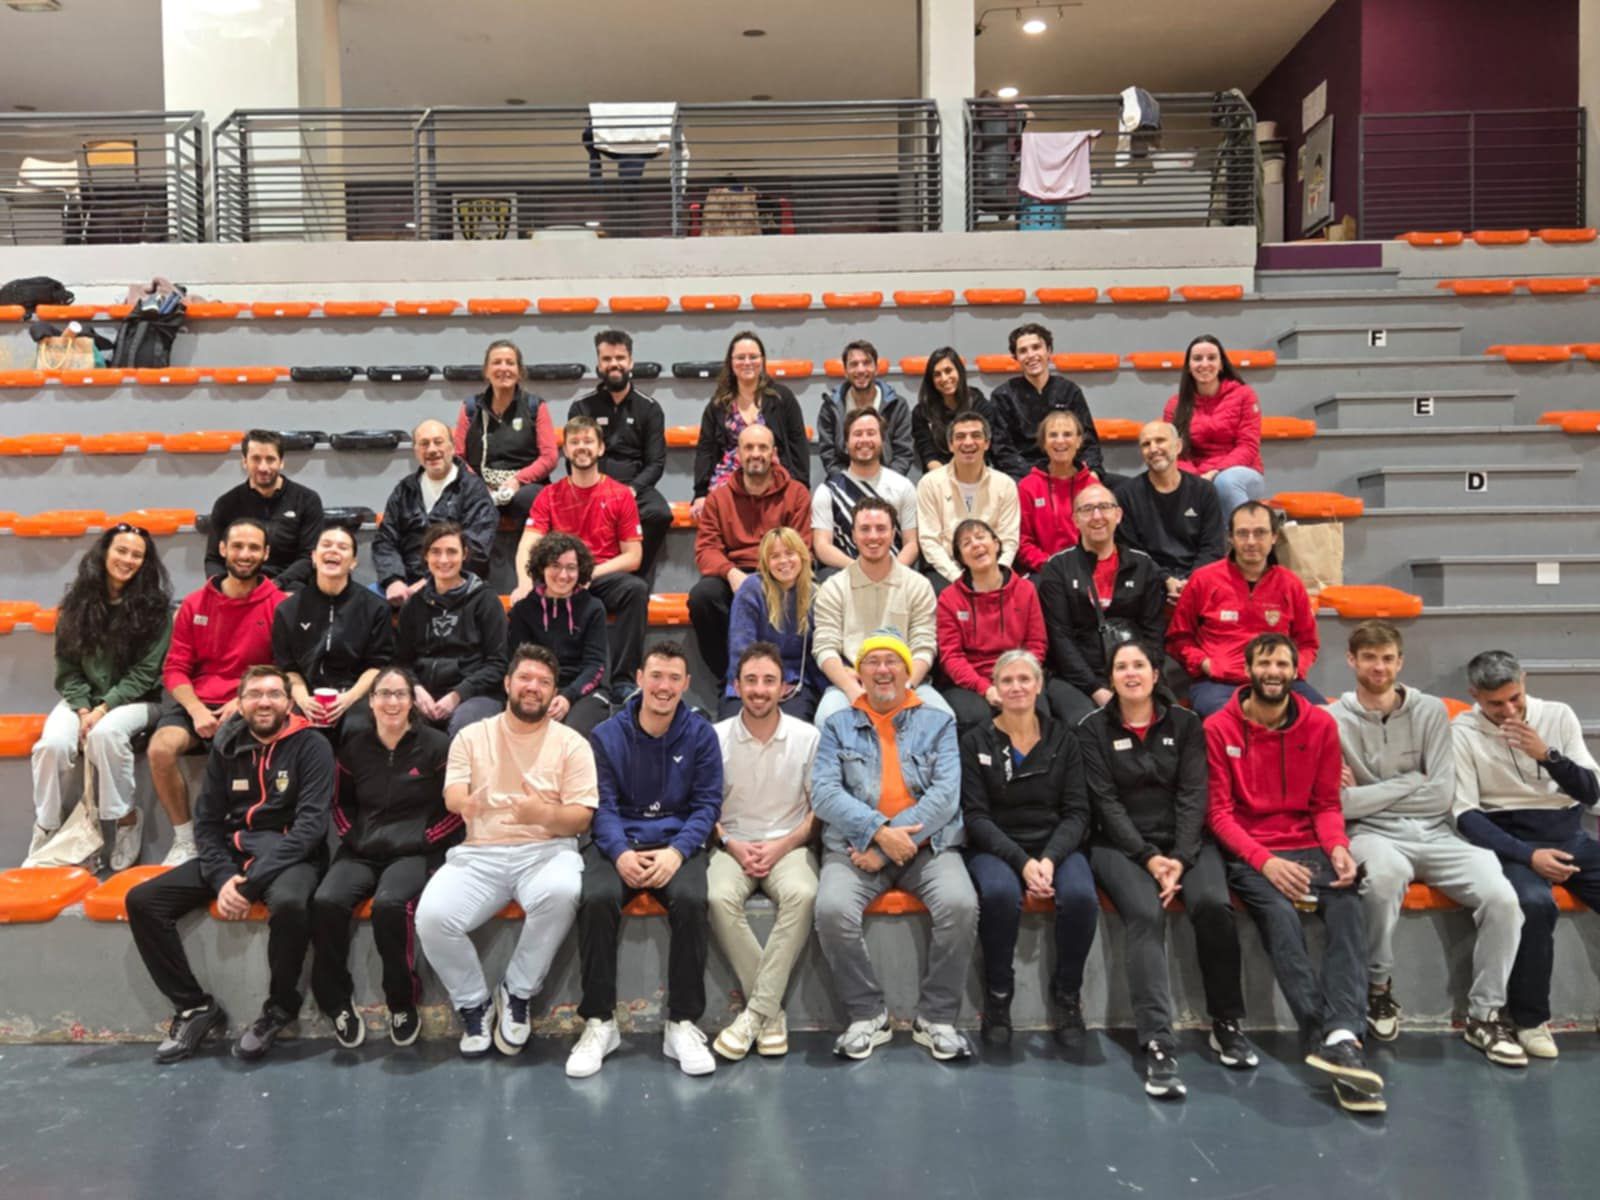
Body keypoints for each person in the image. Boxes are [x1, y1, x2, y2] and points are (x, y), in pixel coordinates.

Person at [1206, 633, 1385, 1113]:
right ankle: (1325, 1034)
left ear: (1295, 670)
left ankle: (1343, 1032)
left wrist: (1338, 848)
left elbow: (1325, 804)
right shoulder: (1218, 728)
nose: (1273, 672)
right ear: (1248, 669)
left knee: (1348, 907)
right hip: (1253, 851)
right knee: (1281, 919)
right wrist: (1264, 861)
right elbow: (1219, 814)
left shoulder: (1321, 725)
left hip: (1310, 845)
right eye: (1264, 664)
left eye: (1282, 664)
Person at [1332, 624, 1525, 1066]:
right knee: (1384, 879)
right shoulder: (1330, 719)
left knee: (1503, 898)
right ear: (1351, 660)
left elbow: (1440, 795)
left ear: (1400, 662)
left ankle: (1484, 1015)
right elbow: (1339, 804)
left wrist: (1370, 792)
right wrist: (1410, 780)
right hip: (1371, 833)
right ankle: (1377, 988)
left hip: (1438, 832)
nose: (1379, 667)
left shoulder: (1432, 711)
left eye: (1387, 658)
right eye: (1369, 657)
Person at [126, 665, 332, 1063]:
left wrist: (248, 885)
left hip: (291, 855)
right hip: (233, 853)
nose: (264, 702)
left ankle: (279, 1009)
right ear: (240, 702)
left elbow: (310, 829)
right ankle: (194, 1007)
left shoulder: (312, 745)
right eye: (254, 694)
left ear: (289, 702)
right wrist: (224, 877)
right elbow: (206, 822)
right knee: (143, 901)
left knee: (291, 904)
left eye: (274, 694)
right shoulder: (227, 742)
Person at [1082, 640, 1257, 1098]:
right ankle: (1158, 1040)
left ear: (1155, 674)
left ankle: (1227, 1022)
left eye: (1139, 665)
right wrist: (1148, 857)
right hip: (1121, 846)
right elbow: (1105, 802)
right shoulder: (1092, 729)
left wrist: (1179, 856)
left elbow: (1194, 793)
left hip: (1185, 843)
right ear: (1111, 677)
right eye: (1121, 667)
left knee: (1213, 904)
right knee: (1145, 914)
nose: (1131, 673)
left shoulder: (1186, 723)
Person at [414, 645, 598, 1059]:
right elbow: (452, 795)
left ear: (554, 692)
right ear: (507, 683)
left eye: (544, 682)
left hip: (547, 850)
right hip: (480, 853)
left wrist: (542, 813)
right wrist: (469, 803)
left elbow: (581, 819)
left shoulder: (572, 743)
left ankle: (517, 991)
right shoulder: (471, 735)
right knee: (433, 917)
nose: (534, 687)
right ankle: (473, 1003)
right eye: (526, 678)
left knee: (563, 891)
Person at [812, 630, 978, 1062]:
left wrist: (887, 845)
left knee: (960, 904)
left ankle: (937, 1017)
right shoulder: (837, 725)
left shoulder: (938, 722)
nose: (882, 670)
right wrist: (877, 831)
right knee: (831, 909)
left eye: (892, 662)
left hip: (927, 846)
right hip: (854, 848)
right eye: (872, 662)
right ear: (859, 672)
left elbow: (946, 797)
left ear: (908, 671)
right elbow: (824, 794)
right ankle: (867, 1014)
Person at [567, 641, 723, 1079]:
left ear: (686, 684)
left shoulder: (701, 735)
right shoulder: (606, 735)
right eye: (656, 676)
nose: (664, 686)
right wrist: (619, 853)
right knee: (596, 898)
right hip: (620, 841)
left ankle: (682, 1023)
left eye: (674, 678)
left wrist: (678, 852)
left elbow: (707, 805)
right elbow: (602, 805)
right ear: (639, 679)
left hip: (676, 844)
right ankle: (599, 1022)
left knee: (692, 900)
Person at [1453, 648, 1600, 1062]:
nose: (1508, 710)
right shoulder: (1460, 730)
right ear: (1474, 695)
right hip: (1509, 840)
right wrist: (1529, 855)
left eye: (1514, 698)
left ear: (1524, 682)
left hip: (1568, 831)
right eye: (1495, 703)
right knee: (1534, 905)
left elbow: (1591, 791)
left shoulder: (1558, 715)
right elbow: (1465, 815)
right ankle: (1531, 1020)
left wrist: (1547, 756)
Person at [309, 666, 459, 1050]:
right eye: (384, 694)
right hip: (361, 851)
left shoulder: (438, 746)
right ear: (371, 701)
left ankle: (401, 1001)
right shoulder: (353, 748)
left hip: (415, 852)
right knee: (326, 901)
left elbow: (456, 810)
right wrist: (352, 836)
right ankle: (337, 1002)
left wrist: (425, 838)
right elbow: (339, 804)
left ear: (412, 702)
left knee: (389, 906)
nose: (392, 702)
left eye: (400, 694)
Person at [959, 649, 1098, 1052]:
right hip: (997, 845)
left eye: (1025, 679)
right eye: (1007, 680)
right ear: (995, 689)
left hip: (1055, 845)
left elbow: (1077, 812)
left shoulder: (1064, 738)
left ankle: (1068, 996)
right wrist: (1022, 863)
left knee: (1081, 897)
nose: (1016, 687)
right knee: (1000, 895)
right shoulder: (975, 741)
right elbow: (976, 816)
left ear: (1039, 686)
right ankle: (998, 996)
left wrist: (1049, 859)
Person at [29, 522, 172, 869]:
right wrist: (82, 709)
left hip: (137, 701)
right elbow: (67, 669)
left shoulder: (156, 609)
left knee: (105, 735)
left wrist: (103, 709)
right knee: (51, 746)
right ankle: (48, 827)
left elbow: (145, 673)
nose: (128, 559)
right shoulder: (75, 605)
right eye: (121, 550)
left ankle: (126, 819)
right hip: (82, 700)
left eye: (137, 555)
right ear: (105, 552)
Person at [708, 642, 821, 1061]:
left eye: (769, 681)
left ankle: (754, 1014)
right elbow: (703, 807)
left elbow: (818, 811)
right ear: (736, 686)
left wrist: (782, 846)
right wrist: (730, 843)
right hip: (731, 844)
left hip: (789, 844)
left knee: (804, 894)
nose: (759, 689)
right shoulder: (715, 737)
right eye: (751, 680)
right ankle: (770, 1014)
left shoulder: (807, 737)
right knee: (716, 897)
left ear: (784, 688)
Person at [149, 517, 285, 865]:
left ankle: (230, 839)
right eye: (237, 546)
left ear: (266, 553)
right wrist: (196, 710)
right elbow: (175, 668)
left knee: (227, 745)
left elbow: (281, 668)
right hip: (195, 701)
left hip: (248, 701)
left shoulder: (278, 604)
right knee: (160, 749)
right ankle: (184, 840)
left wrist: (241, 702)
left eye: (253, 548)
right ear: (222, 549)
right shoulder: (194, 604)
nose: (245, 554)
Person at [513, 416, 647, 696]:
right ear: (565, 450)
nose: (581, 447)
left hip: (599, 574)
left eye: (588, 441)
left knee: (635, 590)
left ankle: (623, 680)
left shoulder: (620, 494)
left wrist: (587, 574)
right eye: (574, 442)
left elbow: (633, 556)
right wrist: (523, 583)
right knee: (523, 603)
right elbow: (528, 545)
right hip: (559, 575)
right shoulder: (549, 495)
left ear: (601, 448)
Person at [1167, 501, 1322, 717]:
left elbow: (1307, 643)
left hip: (1278, 680)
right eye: (1242, 533)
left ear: (1274, 536)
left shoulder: (1291, 584)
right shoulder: (1203, 580)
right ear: (1230, 537)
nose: (1251, 542)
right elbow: (1179, 638)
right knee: (1228, 720)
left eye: (1260, 533)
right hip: (1219, 684)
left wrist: (1295, 669)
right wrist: (1204, 664)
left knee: (1322, 717)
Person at [689, 422, 811, 684]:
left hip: (782, 570)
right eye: (749, 447)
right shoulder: (718, 498)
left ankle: (793, 677)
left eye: (763, 447)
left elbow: (802, 545)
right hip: (737, 573)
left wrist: (771, 576)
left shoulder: (796, 494)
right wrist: (730, 573)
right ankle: (731, 678)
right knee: (703, 597)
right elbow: (706, 549)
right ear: (738, 454)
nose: (756, 453)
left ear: (773, 453)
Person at [1034, 484, 1166, 725]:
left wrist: (1136, 677)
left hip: (1131, 670)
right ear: (1075, 520)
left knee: (1169, 718)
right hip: (1076, 678)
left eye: (1104, 507)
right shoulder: (1057, 568)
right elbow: (1060, 640)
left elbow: (1153, 633)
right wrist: (1097, 690)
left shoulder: (1143, 566)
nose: (1097, 516)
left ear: (1118, 514)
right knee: (1089, 723)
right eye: (1087, 509)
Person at [811, 498, 949, 726]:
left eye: (881, 528)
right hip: (851, 681)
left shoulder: (918, 585)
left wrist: (905, 688)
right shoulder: (833, 587)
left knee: (942, 718)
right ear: (853, 535)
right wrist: (852, 689)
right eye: (865, 529)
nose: (873, 536)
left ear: (893, 533)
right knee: (828, 719)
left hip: (907, 680)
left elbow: (924, 646)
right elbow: (825, 647)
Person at [270, 521, 392, 741]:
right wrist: (303, 700)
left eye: (342, 547)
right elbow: (287, 667)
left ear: (353, 562)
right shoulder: (288, 609)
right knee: (292, 728)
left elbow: (377, 665)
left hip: (356, 694)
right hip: (305, 693)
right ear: (314, 557)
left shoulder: (375, 607)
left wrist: (348, 699)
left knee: (359, 729)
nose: (333, 550)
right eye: (326, 545)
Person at [568, 329, 671, 574]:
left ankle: (633, 574)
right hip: (593, 484)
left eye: (620, 358)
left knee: (659, 514)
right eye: (607, 359)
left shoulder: (649, 408)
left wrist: (631, 490)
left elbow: (656, 462)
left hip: (634, 487)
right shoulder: (581, 407)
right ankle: (588, 570)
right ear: (598, 364)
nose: (614, 364)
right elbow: (573, 456)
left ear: (630, 362)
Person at [393, 522, 507, 737]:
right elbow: (401, 661)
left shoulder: (485, 600)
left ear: (464, 554)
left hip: (475, 694)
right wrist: (416, 689)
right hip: (424, 693)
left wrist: (457, 694)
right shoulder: (414, 604)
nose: (444, 560)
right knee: (396, 722)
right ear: (426, 556)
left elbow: (497, 663)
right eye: (436, 552)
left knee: (463, 729)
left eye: (452, 552)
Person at [935, 518, 1047, 735]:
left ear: (996, 544)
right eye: (966, 543)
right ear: (961, 558)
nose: (976, 545)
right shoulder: (949, 598)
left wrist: (1016, 680)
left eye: (980, 537)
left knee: (1037, 713)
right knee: (976, 718)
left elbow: (1036, 644)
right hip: (971, 682)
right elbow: (951, 656)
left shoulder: (1026, 590)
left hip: (1017, 672)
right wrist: (985, 688)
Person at [374, 419, 498, 607]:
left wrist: (429, 582)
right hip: (405, 583)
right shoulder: (404, 489)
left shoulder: (473, 489)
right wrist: (393, 580)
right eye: (424, 444)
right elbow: (385, 540)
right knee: (367, 606)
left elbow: (477, 549)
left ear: (452, 447)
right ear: (416, 451)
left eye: (438, 442)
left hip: (457, 584)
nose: (432, 450)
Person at [692, 330, 810, 517]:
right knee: (716, 507)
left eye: (753, 357)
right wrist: (700, 494)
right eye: (740, 357)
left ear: (762, 360)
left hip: (773, 474)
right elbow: (706, 450)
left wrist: (801, 486)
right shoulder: (718, 404)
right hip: (729, 477)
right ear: (731, 363)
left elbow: (798, 443)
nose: (747, 362)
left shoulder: (782, 398)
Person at [506, 532, 611, 738]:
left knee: (571, 735)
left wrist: (567, 697)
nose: (563, 575)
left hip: (584, 691)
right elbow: (519, 662)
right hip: (538, 687)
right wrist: (544, 693)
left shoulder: (593, 608)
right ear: (542, 568)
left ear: (580, 570)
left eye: (571, 567)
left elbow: (596, 666)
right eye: (555, 566)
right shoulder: (523, 610)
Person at [1113, 420, 1226, 601]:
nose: (1153, 448)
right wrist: (1165, 579)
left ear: (1178, 446)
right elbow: (1131, 551)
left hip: (1199, 581)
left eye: (1160, 440)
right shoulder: (1125, 495)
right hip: (1149, 583)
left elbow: (1212, 548)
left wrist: (1191, 581)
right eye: (1146, 444)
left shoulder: (1204, 491)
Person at [452, 338, 558, 530]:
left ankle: (528, 550)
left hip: (526, 486)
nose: (503, 368)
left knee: (526, 499)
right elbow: (458, 457)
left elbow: (549, 457)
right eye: (496, 362)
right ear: (486, 371)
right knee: (462, 500)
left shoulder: (535, 406)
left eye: (510, 363)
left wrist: (518, 481)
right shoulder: (470, 408)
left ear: (520, 371)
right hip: (481, 484)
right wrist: (479, 486)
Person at [724, 527, 827, 721]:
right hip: (753, 679)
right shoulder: (751, 590)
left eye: (790, 553)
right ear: (766, 563)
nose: (783, 561)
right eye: (775, 556)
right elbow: (741, 648)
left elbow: (819, 650)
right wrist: (767, 684)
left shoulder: (815, 594)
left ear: (802, 556)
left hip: (796, 682)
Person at [203, 430, 323, 592]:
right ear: (244, 461)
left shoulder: (307, 500)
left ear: (281, 462)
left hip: (288, 587)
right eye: (256, 459)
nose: (263, 467)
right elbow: (213, 559)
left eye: (270, 459)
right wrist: (223, 588)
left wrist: (276, 584)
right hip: (239, 588)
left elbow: (308, 556)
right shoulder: (226, 503)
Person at [1161, 334, 1265, 519]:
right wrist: (1197, 478)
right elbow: (1175, 453)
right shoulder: (1174, 405)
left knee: (1226, 482)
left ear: (1221, 364)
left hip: (1240, 472)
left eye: (1211, 358)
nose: (1204, 364)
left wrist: (1216, 472)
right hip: (1197, 475)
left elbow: (1248, 446)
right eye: (1197, 358)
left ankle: (1239, 534)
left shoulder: (1244, 395)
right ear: (1189, 367)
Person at [916, 410, 1019, 591]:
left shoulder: (1005, 484)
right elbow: (929, 541)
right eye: (960, 437)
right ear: (950, 445)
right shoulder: (930, 483)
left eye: (976, 436)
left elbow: (1009, 541)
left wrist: (996, 574)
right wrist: (959, 578)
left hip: (993, 569)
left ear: (987, 443)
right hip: (946, 570)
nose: (968, 442)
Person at [988, 323, 1103, 482]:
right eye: (1023, 351)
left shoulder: (1069, 390)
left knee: (1122, 487)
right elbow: (1002, 450)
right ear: (1016, 358)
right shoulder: (1002, 395)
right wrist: (1037, 478)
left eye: (1036, 347)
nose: (1031, 355)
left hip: (1068, 469)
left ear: (1048, 351)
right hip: (1023, 476)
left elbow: (1088, 440)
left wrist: (1092, 471)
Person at [811, 408, 920, 574]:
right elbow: (822, 547)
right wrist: (861, 571)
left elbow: (911, 544)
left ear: (882, 440)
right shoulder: (827, 491)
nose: (864, 440)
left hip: (895, 575)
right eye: (857, 434)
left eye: (871, 433)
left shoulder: (903, 486)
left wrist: (891, 573)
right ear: (846, 443)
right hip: (846, 575)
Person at [1015, 410, 1098, 574]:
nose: (1060, 441)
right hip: (1043, 571)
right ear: (1044, 443)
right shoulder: (1028, 487)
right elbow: (1023, 541)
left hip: (1085, 570)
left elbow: (1099, 536)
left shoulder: (1092, 487)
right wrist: (1050, 566)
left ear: (1078, 441)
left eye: (1067, 434)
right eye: (1053, 435)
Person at [816, 338, 914, 476]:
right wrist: (850, 483)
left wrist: (886, 483)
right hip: (845, 481)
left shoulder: (897, 405)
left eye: (867, 363)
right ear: (845, 371)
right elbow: (829, 456)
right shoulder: (830, 407)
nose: (861, 369)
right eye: (854, 364)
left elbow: (903, 454)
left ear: (876, 368)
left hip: (888, 481)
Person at [912, 347, 990, 472]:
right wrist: (947, 478)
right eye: (937, 374)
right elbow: (929, 456)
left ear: (959, 371)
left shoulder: (979, 405)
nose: (944, 378)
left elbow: (984, 449)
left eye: (948, 371)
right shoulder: (922, 412)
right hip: (938, 475)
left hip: (974, 471)